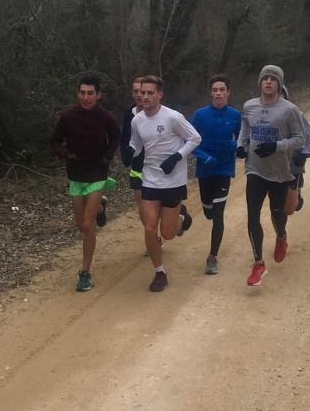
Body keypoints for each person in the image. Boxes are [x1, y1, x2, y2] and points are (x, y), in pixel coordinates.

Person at [124, 75, 201, 292]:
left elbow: (195, 138)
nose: (144, 96)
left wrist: (176, 157)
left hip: (173, 180)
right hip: (150, 178)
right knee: (149, 227)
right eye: (142, 92)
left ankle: (181, 217)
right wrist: (130, 151)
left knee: (168, 233)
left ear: (160, 94)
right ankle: (159, 272)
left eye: (150, 93)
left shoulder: (173, 117)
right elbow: (136, 143)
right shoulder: (137, 120)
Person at [51, 72, 121, 292]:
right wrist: (66, 154)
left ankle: (85, 272)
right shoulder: (68, 116)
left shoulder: (106, 117)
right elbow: (54, 141)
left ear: (98, 95)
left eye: (90, 93)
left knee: (88, 225)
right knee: (81, 224)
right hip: (76, 175)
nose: (86, 97)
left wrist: (107, 156)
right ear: (78, 93)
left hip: (97, 175)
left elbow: (116, 137)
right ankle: (101, 207)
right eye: (82, 93)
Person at [237, 65, 305, 286]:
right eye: (264, 78)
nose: (268, 81)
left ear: (279, 84)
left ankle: (282, 237)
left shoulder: (289, 110)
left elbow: (299, 139)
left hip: (279, 172)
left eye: (273, 79)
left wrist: (276, 146)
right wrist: (241, 146)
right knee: (252, 215)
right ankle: (258, 264)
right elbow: (245, 130)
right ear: (260, 82)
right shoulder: (249, 106)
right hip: (254, 169)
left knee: (277, 214)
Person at [191, 74, 242, 275]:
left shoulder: (236, 115)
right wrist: (204, 156)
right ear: (211, 93)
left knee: (218, 215)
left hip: (223, 170)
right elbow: (188, 141)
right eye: (215, 90)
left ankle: (212, 257)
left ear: (228, 92)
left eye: (222, 89)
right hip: (205, 170)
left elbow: (242, 140)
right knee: (209, 212)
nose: (218, 93)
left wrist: (235, 146)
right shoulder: (200, 115)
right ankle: (205, 210)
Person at [120, 76, 163, 256]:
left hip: (159, 169)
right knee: (143, 208)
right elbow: (125, 140)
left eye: (143, 91)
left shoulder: (161, 114)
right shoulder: (130, 114)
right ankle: (153, 238)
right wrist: (126, 156)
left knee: (160, 208)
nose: (140, 95)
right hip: (138, 168)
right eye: (136, 91)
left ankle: (176, 217)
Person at [279, 85, 310, 215]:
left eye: (281, 94)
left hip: (294, 162)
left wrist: (305, 154)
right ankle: (281, 231)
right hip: (275, 164)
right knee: (278, 203)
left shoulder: (297, 114)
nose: (278, 96)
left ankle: (297, 191)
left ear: (286, 97)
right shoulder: (267, 116)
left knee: (291, 207)